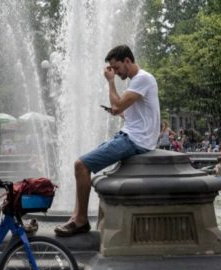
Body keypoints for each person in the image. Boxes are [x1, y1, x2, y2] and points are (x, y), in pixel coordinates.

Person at [54, 45, 160, 237]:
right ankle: (75, 216)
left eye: (117, 67)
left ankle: (81, 220)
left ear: (127, 61)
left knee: (81, 165)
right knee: (82, 166)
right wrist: (118, 111)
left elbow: (117, 105)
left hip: (135, 141)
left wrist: (110, 83)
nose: (116, 72)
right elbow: (127, 112)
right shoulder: (137, 81)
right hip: (132, 137)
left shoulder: (143, 78)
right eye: (113, 70)